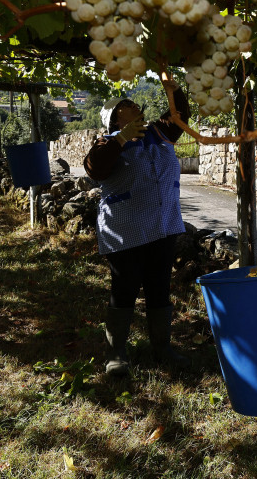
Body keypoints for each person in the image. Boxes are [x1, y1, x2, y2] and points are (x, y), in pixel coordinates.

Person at [84, 78, 191, 376]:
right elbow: (95, 168)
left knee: (160, 287)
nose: (135, 107)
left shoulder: (159, 132)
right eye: (127, 106)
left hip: (162, 224)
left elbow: (180, 115)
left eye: (134, 104)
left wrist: (174, 89)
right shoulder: (107, 143)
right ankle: (116, 353)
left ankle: (162, 348)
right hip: (125, 229)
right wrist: (120, 139)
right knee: (125, 288)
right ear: (116, 117)